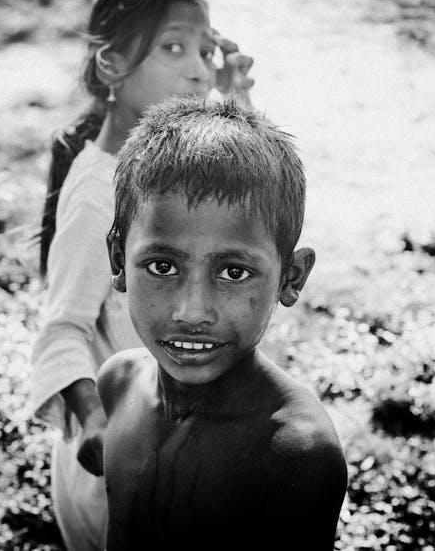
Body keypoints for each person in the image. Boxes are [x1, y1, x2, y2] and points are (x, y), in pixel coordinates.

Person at [30, 0, 254, 550]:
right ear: (112, 64)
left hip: (184, 436)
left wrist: (233, 107)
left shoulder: (165, 161)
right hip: (120, 465)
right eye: (173, 49)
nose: (199, 70)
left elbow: (239, 197)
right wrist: (96, 419)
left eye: (206, 50)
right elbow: (63, 327)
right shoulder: (97, 194)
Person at [98, 95, 348, 551]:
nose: (192, 312)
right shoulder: (117, 384)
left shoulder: (295, 453)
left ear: (290, 277)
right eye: (162, 267)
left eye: (233, 272)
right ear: (118, 260)